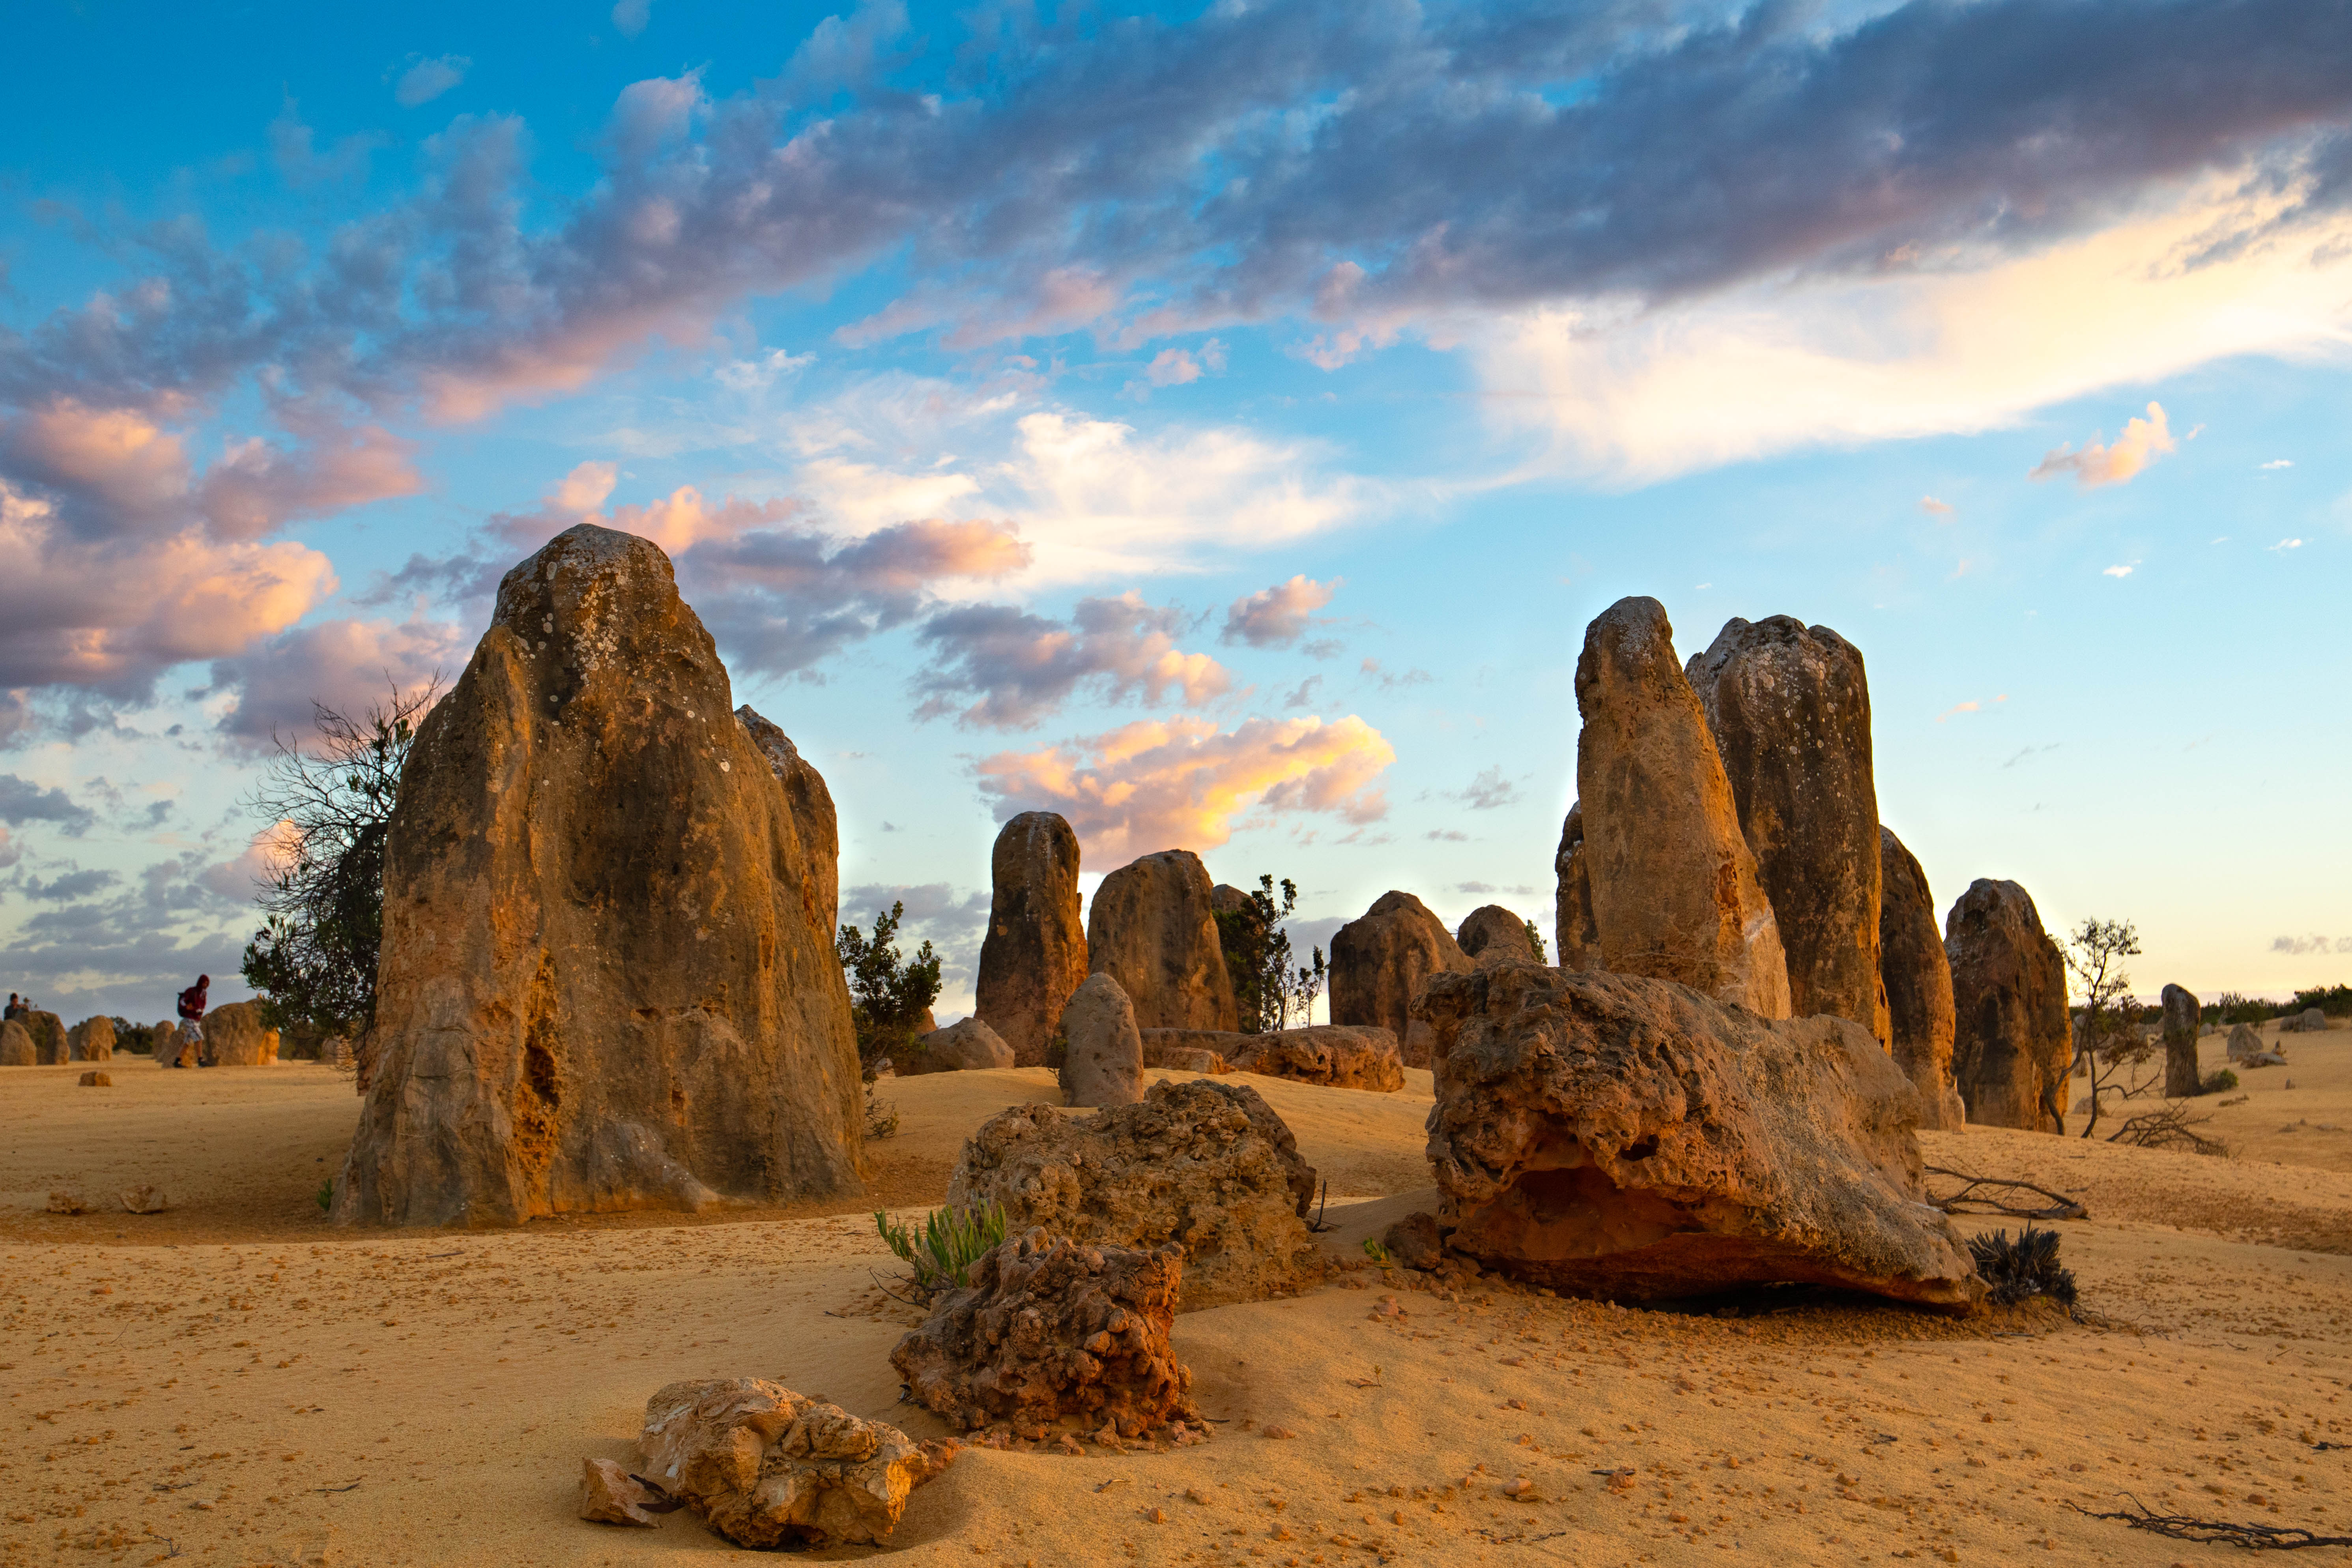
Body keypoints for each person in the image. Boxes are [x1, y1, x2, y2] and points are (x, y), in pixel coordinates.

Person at [176, 974, 210, 1067]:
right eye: (204, 982)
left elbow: (202, 1005)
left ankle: (177, 1061)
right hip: (189, 1019)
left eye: (207, 983)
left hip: (196, 1019)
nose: (206, 985)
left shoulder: (204, 994)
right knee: (199, 1037)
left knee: (187, 1041)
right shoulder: (192, 991)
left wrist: (200, 1011)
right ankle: (201, 1060)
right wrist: (186, 1007)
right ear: (201, 982)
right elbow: (183, 1000)